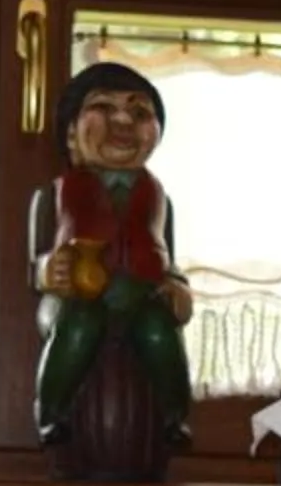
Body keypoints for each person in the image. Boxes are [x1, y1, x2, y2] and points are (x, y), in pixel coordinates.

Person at [31, 60, 193, 453]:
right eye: (103, 108)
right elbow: (36, 261)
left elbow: (167, 258)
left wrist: (177, 286)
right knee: (78, 325)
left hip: (139, 292)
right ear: (72, 134)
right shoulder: (52, 196)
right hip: (73, 296)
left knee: (159, 329)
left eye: (139, 113)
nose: (123, 121)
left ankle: (175, 417)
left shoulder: (159, 200)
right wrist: (49, 270)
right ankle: (50, 413)